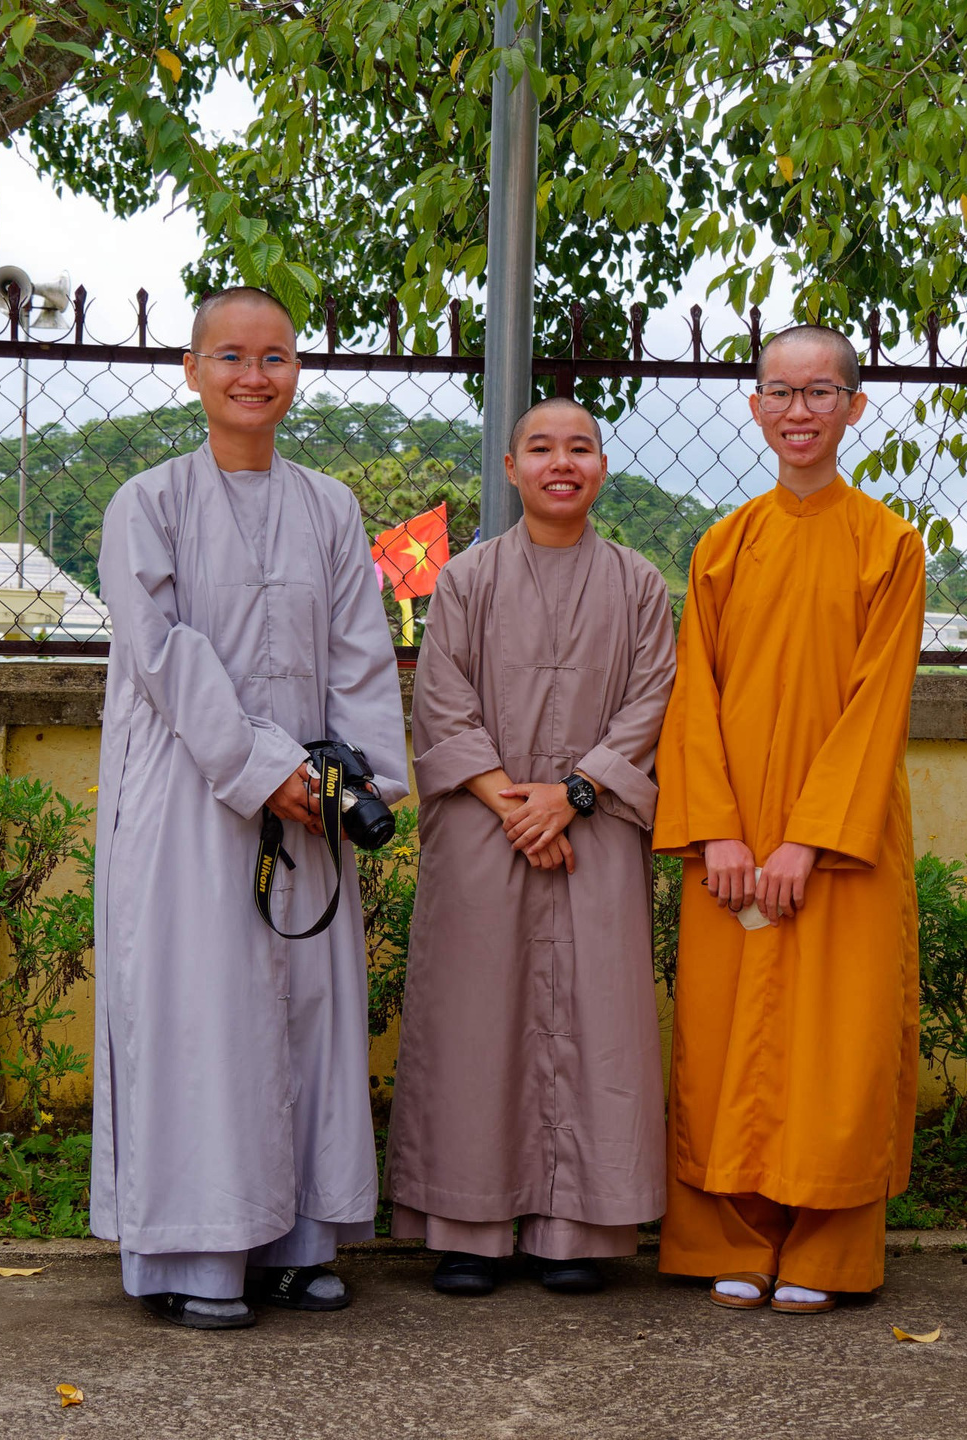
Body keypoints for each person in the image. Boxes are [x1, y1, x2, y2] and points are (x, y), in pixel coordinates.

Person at [91, 286, 409, 1330]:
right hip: (189, 799)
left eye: (273, 357)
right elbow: (164, 656)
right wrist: (263, 766)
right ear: (192, 371)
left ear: (295, 374)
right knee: (200, 1016)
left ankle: (299, 1244)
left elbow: (360, 652)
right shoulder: (147, 502)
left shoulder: (330, 507)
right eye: (230, 356)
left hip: (310, 803)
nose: (252, 375)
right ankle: (196, 1255)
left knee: (305, 1010)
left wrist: (357, 782)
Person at [652, 324, 925, 1315]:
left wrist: (809, 838)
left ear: (855, 406)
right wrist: (718, 830)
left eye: (820, 393)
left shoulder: (890, 546)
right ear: (755, 406)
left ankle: (827, 1247)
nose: (798, 410)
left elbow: (876, 706)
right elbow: (694, 696)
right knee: (724, 1034)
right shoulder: (724, 546)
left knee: (838, 1039)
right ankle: (726, 1236)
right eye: (780, 391)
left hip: (841, 839)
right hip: (731, 837)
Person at [385, 396, 677, 1297]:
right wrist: (517, 806)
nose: (562, 463)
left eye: (580, 447)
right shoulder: (467, 579)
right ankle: (467, 1227)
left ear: (601, 467)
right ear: (511, 468)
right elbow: (442, 701)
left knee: (598, 1019)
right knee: (474, 1019)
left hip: (595, 828)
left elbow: (652, 701)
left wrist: (573, 795)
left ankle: (577, 1229)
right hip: (486, 830)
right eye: (541, 448)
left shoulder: (639, 585)